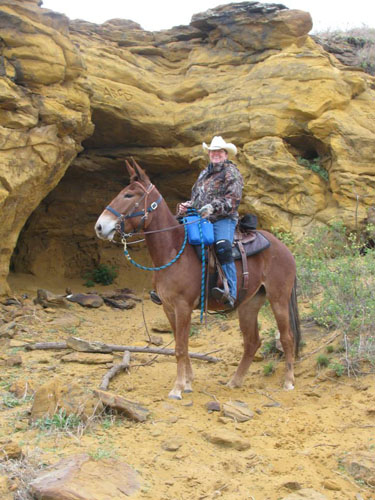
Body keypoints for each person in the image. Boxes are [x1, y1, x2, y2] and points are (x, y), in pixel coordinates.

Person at [178, 136, 243, 308]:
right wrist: (188, 205)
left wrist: (213, 207)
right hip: (201, 218)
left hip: (223, 218)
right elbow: (197, 199)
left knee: (222, 245)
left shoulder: (231, 172)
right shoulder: (203, 173)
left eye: (219, 151)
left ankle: (231, 292)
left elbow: (233, 200)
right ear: (209, 153)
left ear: (225, 154)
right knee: (178, 240)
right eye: (213, 151)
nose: (215, 154)